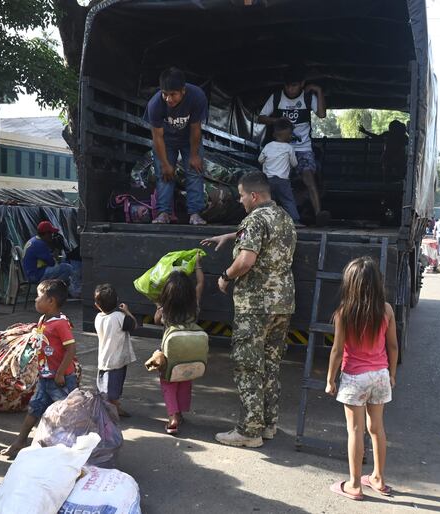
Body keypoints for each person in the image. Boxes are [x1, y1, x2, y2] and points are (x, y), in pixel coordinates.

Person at [202, 171, 296, 447]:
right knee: (270, 365)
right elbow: (264, 239)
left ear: (254, 196)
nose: (240, 200)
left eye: (242, 195)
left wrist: (225, 276)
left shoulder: (254, 220)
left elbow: (246, 260)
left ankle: (249, 431)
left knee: (248, 366)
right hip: (282, 304)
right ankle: (268, 424)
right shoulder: (284, 217)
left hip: (255, 305)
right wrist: (232, 236)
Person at [325, 257, 399, 501]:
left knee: (355, 430)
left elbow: (336, 351)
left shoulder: (344, 312)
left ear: (350, 283)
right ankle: (378, 478)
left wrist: (330, 379)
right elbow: (393, 347)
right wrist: (392, 375)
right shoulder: (386, 310)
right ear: (377, 283)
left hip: (355, 377)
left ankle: (355, 484)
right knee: (376, 428)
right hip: (380, 376)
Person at [2, 279, 77, 458]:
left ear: (50, 301)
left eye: (38, 296)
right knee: (34, 408)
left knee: (67, 415)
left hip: (61, 380)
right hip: (45, 377)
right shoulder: (44, 319)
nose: (35, 300)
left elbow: (71, 349)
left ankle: (72, 450)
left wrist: (60, 373)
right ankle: (20, 441)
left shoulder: (61, 323)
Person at [258, 66, 326, 221]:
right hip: (281, 147)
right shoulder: (276, 97)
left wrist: (318, 90)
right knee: (277, 181)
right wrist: (279, 121)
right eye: (288, 85)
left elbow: (322, 115)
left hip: (303, 148)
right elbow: (261, 117)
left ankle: (319, 215)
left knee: (309, 177)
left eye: (294, 85)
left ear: (302, 84)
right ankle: (268, 216)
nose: (290, 89)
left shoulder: (308, 98)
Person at [143, 67, 208, 225]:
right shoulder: (155, 104)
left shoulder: (197, 96)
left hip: (189, 140)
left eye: (173, 94)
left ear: (183, 91)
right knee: (164, 175)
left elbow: (195, 129)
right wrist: (165, 164)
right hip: (165, 142)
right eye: (165, 94)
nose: (168, 99)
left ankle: (195, 214)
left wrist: (194, 156)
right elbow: (157, 137)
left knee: (194, 172)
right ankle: (163, 213)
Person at [149, 270, 203, 435]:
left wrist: (159, 305)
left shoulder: (166, 311)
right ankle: (180, 413)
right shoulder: (194, 308)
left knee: (169, 384)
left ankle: (173, 417)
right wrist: (198, 266)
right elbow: (200, 284)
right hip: (191, 353)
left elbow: (156, 320)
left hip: (170, 354)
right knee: (185, 381)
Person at [94, 284, 137, 418]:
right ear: (117, 300)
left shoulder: (98, 318)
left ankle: (113, 407)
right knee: (113, 389)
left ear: (97, 305)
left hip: (104, 359)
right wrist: (127, 312)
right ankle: (111, 411)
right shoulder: (119, 317)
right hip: (117, 360)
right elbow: (134, 325)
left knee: (104, 387)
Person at [258, 118, 302, 225]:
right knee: (288, 200)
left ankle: (265, 221)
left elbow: (260, 160)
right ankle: (295, 221)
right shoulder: (289, 148)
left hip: (268, 180)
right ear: (288, 135)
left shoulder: (268, 146)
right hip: (283, 181)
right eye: (291, 134)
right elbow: (295, 164)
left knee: (268, 202)